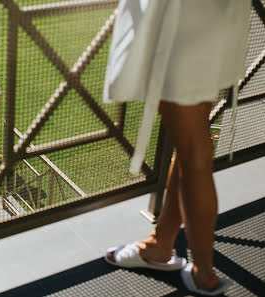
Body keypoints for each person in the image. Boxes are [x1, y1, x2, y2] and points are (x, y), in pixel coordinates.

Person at [102, 1, 251, 296]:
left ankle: (204, 274)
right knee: (191, 142)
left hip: (180, 25)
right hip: (217, 20)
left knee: (195, 153)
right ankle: (160, 243)